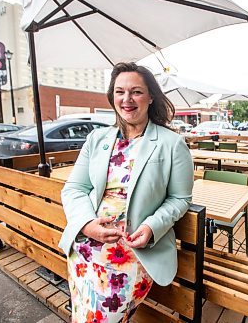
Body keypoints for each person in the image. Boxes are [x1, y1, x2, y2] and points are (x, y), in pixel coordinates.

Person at [59, 62, 194, 323]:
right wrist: (87, 225)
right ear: (112, 97)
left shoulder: (172, 143)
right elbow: (74, 188)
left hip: (135, 253)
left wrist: (153, 226)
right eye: (120, 92)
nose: (127, 99)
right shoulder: (97, 139)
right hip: (86, 249)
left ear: (151, 96)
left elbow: (180, 199)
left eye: (136, 92)